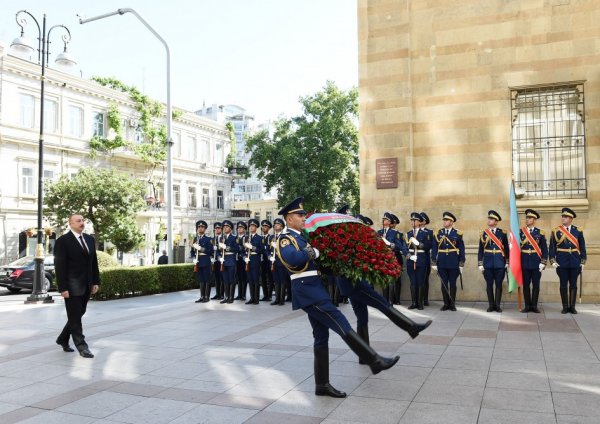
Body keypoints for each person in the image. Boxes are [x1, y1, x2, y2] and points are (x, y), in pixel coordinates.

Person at [276, 197, 399, 399]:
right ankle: (375, 361)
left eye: (303, 214)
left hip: (315, 289)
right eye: (299, 215)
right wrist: (312, 251)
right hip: (307, 291)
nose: (303, 217)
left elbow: (319, 264)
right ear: (289, 219)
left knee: (321, 337)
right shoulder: (285, 239)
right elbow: (293, 259)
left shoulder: (302, 238)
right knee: (341, 323)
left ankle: (322, 384)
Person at [340, 214, 431, 362]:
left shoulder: (354, 237)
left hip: (355, 282)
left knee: (362, 319)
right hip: (354, 284)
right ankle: (411, 328)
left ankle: (364, 356)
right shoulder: (348, 238)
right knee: (383, 303)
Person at [54, 214, 100, 358]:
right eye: (78, 221)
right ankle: (82, 347)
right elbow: (59, 266)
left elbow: (93, 263)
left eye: (83, 220)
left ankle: (62, 339)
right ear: (70, 224)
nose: (82, 223)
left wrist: (96, 282)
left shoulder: (89, 239)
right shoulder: (63, 241)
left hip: (86, 285)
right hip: (71, 286)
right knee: (75, 317)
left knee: (77, 314)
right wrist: (62, 288)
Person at [549, 207, 586, 314]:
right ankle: (565, 307)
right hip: (562, 262)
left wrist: (583, 261)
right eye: (563, 216)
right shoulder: (556, 231)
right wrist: (553, 261)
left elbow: (582, 247)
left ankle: (572, 307)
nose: (563, 218)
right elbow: (552, 248)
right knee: (563, 285)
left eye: (565, 217)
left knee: (573, 284)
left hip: (575, 261)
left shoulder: (578, 230)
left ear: (571, 218)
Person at [431, 212, 465, 311]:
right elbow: (434, 248)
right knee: (444, 284)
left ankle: (452, 303)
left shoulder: (457, 233)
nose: (444, 222)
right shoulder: (438, 233)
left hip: (454, 262)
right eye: (444, 220)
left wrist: (461, 263)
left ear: (451, 222)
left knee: (453, 283)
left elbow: (461, 249)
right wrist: (433, 261)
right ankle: (446, 304)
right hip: (441, 262)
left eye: (446, 220)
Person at [478, 210, 509, 312]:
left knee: (499, 284)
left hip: (500, 262)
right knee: (489, 285)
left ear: (496, 222)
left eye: (491, 219)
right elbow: (480, 250)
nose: (489, 220)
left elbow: (506, 249)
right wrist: (480, 263)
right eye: (489, 218)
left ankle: (497, 305)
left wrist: (507, 262)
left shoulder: (502, 233)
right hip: (487, 263)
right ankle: (491, 305)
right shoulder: (483, 233)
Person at [520, 209, 548, 313]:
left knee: (536, 285)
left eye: (530, 218)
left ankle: (534, 306)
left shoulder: (540, 232)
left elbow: (545, 249)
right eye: (527, 217)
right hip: (524, 262)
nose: (527, 219)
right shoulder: (520, 232)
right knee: (526, 285)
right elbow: (517, 248)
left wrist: (543, 262)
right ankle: (527, 306)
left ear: (534, 219)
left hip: (536, 263)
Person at [405, 212, 432, 310]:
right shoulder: (408, 234)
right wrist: (408, 255)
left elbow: (428, 246)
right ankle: (414, 302)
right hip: (411, 259)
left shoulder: (425, 233)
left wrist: (419, 244)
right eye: (412, 220)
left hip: (421, 259)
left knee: (420, 281)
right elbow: (404, 247)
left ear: (420, 222)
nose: (412, 222)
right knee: (412, 282)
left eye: (415, 220)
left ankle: (420, 303)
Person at [378, 212, 406, 303]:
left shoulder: (394, 233)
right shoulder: (379, 232)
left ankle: (392, 301)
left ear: (389, 222)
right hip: (383, 260)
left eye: (386, 219)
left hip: (392, 259)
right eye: (383, 219)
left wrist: (390, 244)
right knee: (384, 281)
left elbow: (399, 246)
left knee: (392, 282)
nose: (383, 220)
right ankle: (384, 301)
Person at [191, 220, 214, 303]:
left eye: (202, 227)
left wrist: (200, 249)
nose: (200, 228)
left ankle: (207, 296)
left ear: (205, 229)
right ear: (197, 228)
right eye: (199, 227)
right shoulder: (194, 239)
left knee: (207, 280)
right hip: (198, 262)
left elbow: (210, 251)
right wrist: (194, 257)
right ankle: (201, 296)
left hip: (206, 261)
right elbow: (192, 251)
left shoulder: (208, 239)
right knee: (201, 280)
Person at [244, 218, 265, 304]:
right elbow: (242, 251)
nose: (251, 227)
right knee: (250, 280)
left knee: (256, 280)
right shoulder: (246, 238)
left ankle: (256, 299)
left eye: (253, 226)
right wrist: (244, 257)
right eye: (250, 226)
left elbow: (262, 250)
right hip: (248, 261)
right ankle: (252, 298)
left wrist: (252, 247)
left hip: (255, 260)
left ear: (256, 227)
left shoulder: (259, 238)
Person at [218, 220, 239, 304]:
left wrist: (227, 248)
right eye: (224, 227)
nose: (225, 228)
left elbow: (237, 249)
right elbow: (218, 251)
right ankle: (226, 297)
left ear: (230, 228)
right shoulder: (221, 238)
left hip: (231, 260)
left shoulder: (234, 237)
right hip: (223, 261)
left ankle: (231, 297)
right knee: (225, 280)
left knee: (231, 280)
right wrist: (219, 257)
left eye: (227, 227)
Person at [419, 212, 433, 306]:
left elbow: (429, 245)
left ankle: (425, 299)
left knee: (425, 279)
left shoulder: (429, 232)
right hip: (416, 258)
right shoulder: (414, 231)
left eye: (422, 219)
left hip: (425, 258)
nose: (420, 221)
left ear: (425, 221)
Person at [260, 220, 274, 301]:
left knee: (270, 278)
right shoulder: (259, 237)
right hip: (262, 260)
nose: (264, 228)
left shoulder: (271, 237)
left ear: (269, 228)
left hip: (269, 260)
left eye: (266, 226)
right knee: (263, 279)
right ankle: (265, 295)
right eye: (263, 226)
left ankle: (269, 295)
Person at [235, 221, 248, 301]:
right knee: (238, 278)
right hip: (236, 259)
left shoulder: (246, 238)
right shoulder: (235, 238)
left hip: (244, 259)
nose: (239, 229)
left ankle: (243, 295)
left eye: (241, 228)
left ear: (244, 229)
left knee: (244, 278)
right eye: (238, 228)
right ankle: (239, 294)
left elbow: (245, 248)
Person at [211, 222, 224, 300]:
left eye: (218, 228)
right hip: (215, 261)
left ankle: (222, 294)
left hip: (222, 260)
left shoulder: (223, 238)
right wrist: (211, 257)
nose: (217, 230)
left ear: (221, 229)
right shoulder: (213, 239)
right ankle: (217, 293)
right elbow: (210, 250)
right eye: (216, 228)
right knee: (216, 278)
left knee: (222, 278)